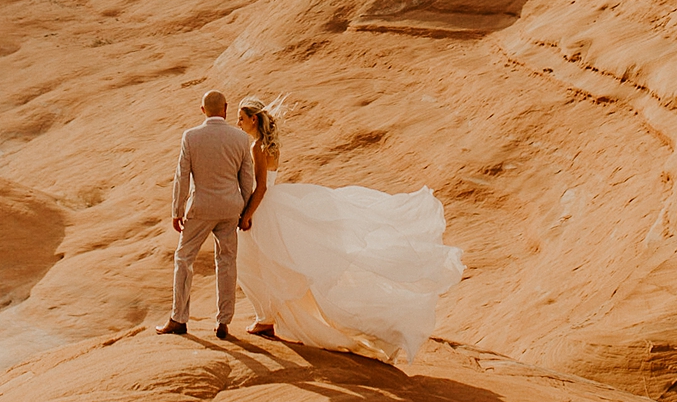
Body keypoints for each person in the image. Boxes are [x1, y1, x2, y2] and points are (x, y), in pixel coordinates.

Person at [235, 94, 464, 367]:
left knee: (253, 264)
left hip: (264, 209)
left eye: (240, 118)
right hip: (276, 204)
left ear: (253, 119)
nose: (237, 123)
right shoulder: (271, 145)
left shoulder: (257, 148)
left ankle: (266, 318)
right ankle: (269, 317)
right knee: (276, 265)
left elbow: (260, 187)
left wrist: (247, 215)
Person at [157, 89, 255, 341]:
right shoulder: (241, 139)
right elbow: (247, 179)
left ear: (203, 110)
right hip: (229, 209)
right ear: (225, 108)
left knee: (183, 258)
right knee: (226, 261)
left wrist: (176, 210)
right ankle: (223, 321)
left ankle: (179, 318)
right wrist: (243, 211)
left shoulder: (191, 137)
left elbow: (182, 176)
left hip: (200, 208)